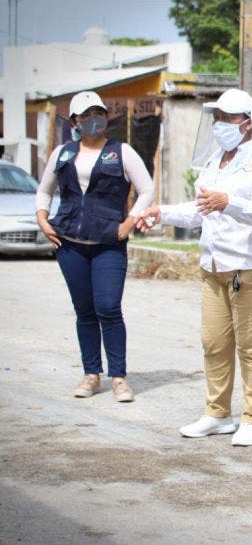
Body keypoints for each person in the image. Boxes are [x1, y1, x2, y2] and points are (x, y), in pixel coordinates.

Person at [136, 89, 252, 447]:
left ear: (248, 122)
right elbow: (200, 209)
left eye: (229, 118)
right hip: (216, 265)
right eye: (217, 118)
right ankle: (218, 414)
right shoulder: (215, 161)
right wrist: (161, 212)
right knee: (214, 343)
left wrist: (228, 202)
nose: (221, 125)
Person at [36, 91, 154, 402]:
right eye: (86, 115)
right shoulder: (61, 153)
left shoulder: (122, 151)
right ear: (74, 121)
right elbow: (44, 190)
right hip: (70, 245)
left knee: (109, 309)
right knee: (84, 311)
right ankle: (91, 374)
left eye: (98, 113)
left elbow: (147, 189)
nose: (93, 120)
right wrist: (43, 220)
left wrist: (129, 222)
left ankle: (118, 377)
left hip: (108, 245)